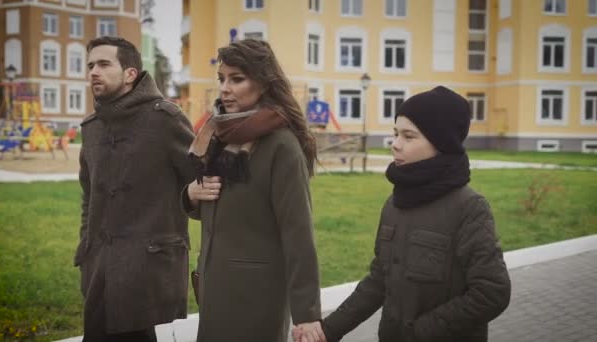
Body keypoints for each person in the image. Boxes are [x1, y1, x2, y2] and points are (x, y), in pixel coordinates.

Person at [295, 86, 511, 342]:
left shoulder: (469, 207)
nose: (395, 145)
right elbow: (379, 280)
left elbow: (492, 292)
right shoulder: (395, 203)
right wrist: (328, 330)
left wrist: (420, 332)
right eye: (395, 133)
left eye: (409, 136)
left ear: (441, 143)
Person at [182, 39, 324, 341]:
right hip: (213, 288)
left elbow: (298, 233)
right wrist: (191, 196)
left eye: (237, 79)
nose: (225, 88)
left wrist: (307, 314)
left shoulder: (282, 146)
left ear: (263, 83)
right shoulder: (221, 136)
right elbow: (226, 206)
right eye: (222, 79)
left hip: (255, 298)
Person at [75, 36, 194, 341]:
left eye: (103, 64)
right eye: (90, 65)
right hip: (100, 266)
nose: (93, 72)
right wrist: (87, 249)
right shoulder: (91, 128)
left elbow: (200, 178)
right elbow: (88, 195)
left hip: (147, 265)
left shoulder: (165, 119)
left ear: (130, 73)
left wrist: (189, 199)